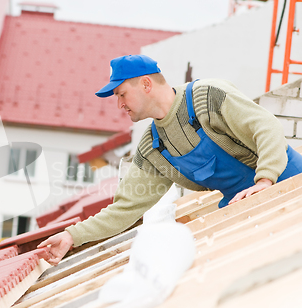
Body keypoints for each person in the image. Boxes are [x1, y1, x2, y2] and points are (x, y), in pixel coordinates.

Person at [38, 54, 302, 265]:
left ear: (146, 84)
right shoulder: (153, 148)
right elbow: (124, 209)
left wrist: (266, 181)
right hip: (241, 210)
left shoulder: (208, 97)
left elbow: (266, 127)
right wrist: (73, 236)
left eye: (121, 94)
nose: (119, 105)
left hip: (289, 187)